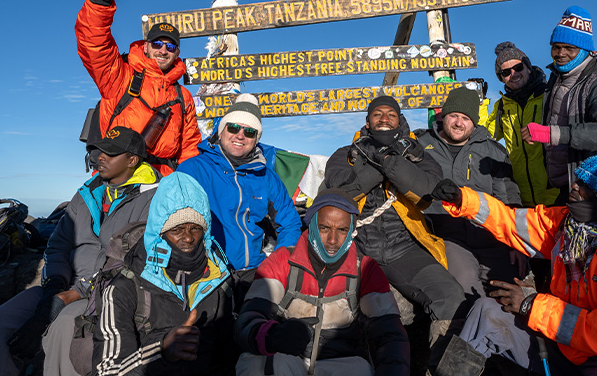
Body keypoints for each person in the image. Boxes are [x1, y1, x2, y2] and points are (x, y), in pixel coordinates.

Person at [431, 154, 597, 376]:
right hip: (559, 344)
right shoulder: (565, 224)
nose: (574, 186)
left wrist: (532, 305)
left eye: (585, 185)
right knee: (487, 312)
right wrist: (465, 200)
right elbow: (510, 222)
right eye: (576, 179)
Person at [0, 127, 159, 376]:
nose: (100, 157)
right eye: (99, 151)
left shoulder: (153, 198)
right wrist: (54, 286)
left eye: (110, 153)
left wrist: (71, 295)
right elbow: (58, 245)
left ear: (132, 160)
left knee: (64, 328)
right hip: (65, 286)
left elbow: (130, 261)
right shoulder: (87, 193)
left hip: (110, 294)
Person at [323, 95, 467, 371]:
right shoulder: (345, 154)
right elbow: (340, 189)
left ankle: (439, 369)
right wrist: (375, 160)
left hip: (405, 248)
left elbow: (428, 191)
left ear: (400, 120)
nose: (384, 118)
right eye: (377, 114)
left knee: (450, 296)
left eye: (391, 114)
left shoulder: (417, 153)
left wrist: (388, 160)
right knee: (358, 313)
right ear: (367, 122)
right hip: (359, 250)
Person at [234, 189, 410, 376]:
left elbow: (390, 336)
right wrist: (272, 335)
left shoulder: (365, 269)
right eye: (324, 228)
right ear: (311, 226)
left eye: (342, 230)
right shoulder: (283, 261)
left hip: (342, 364)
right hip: (290, 359)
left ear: (352, 230)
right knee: (257, 363)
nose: (333, 240)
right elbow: (250, 316)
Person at [93, 171, 235, 375]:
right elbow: (106, 370)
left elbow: (229, 356)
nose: (187, 238)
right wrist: (161, 351)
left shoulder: (219, 281)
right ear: (159, 232)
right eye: (176, 229)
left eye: (195, 228)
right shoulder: (124, 288)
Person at [177, 93, 302, 302]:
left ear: (256, 139)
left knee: (260, 329)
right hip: (206, 274)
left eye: (250, 131)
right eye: (233, 127)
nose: (240, 135)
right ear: (221, 131)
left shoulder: (266, 177)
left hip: (254, 271)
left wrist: (279, 261)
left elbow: (289, 223)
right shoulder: (193, 169)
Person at [75, 0, 201, 176]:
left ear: (177, 53)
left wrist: (188, 183)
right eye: (157, 44)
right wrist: (100, 5)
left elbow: (189, 147)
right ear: (146, 47)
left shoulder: (182, 96)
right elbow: (95, 47)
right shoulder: (120, 76)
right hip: (120, 179)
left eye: (170, 46)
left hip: (164, 183)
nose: (163, 51)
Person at [416, 85, 524, 307]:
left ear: (474, 122)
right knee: (465, 288)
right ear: (444, 116)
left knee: (507, 288)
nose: (458, 123)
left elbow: (508, 198)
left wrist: (517, 244)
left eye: (465, 118)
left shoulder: (492, 150)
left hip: (491, 236)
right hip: (448, 236)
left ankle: (505, 339)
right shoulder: (421, 146)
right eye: (454, 115)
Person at [522, 6, 597, 203]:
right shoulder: (557, 78)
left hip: (596, 187)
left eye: (569, 48)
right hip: (566, 183)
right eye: (556, 46)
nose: (560, 53)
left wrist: (553, 134)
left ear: (584, 49)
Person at [486, 41, 559, 207]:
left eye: (518, 67)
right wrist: (482, 102)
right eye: (506, 72)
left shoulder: (551, 95)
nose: (513, 74)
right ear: (501, 78)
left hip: (555, 197)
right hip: (521, 199)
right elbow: (485, 135)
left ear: (528, 68)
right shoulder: (502, 106)